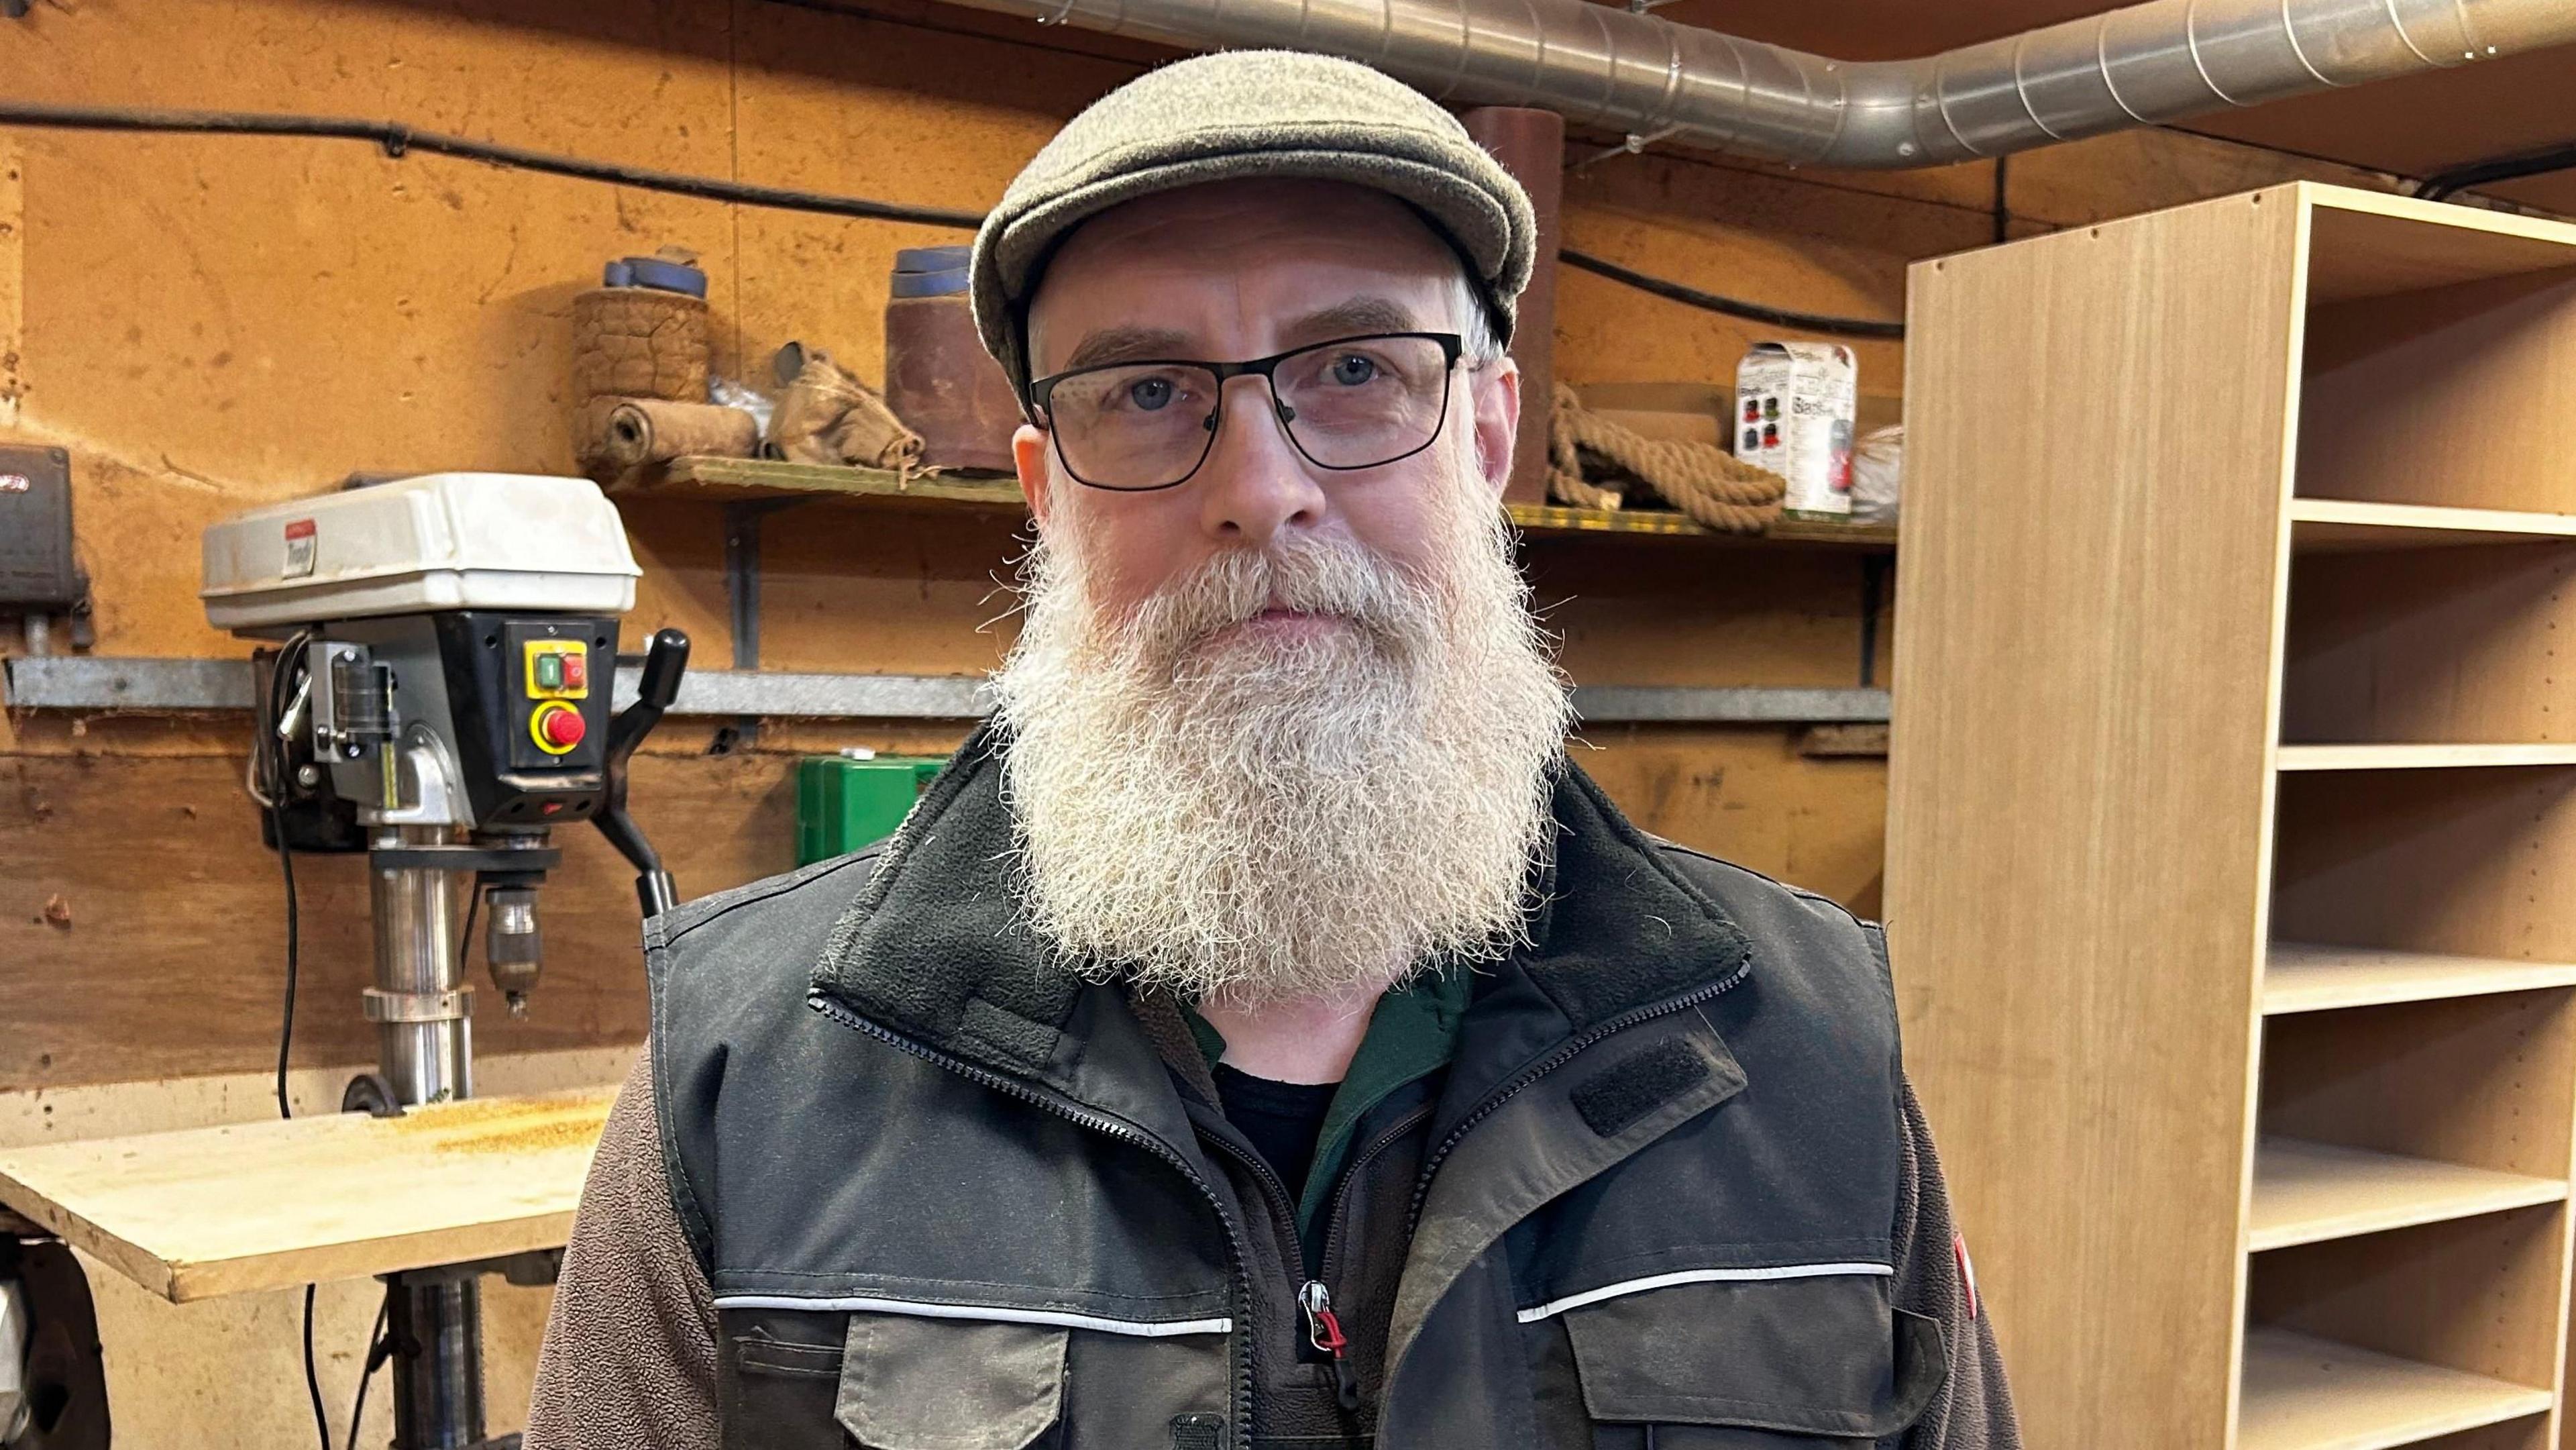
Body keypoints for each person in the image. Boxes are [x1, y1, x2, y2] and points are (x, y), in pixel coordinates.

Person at [527, 48, 2015, 1450]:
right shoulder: (747, 1081)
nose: (1260, 485)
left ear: (1488, 437)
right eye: (1148, 392)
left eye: (1358, 369)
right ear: (1045, 492)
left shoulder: (1802, 1051)